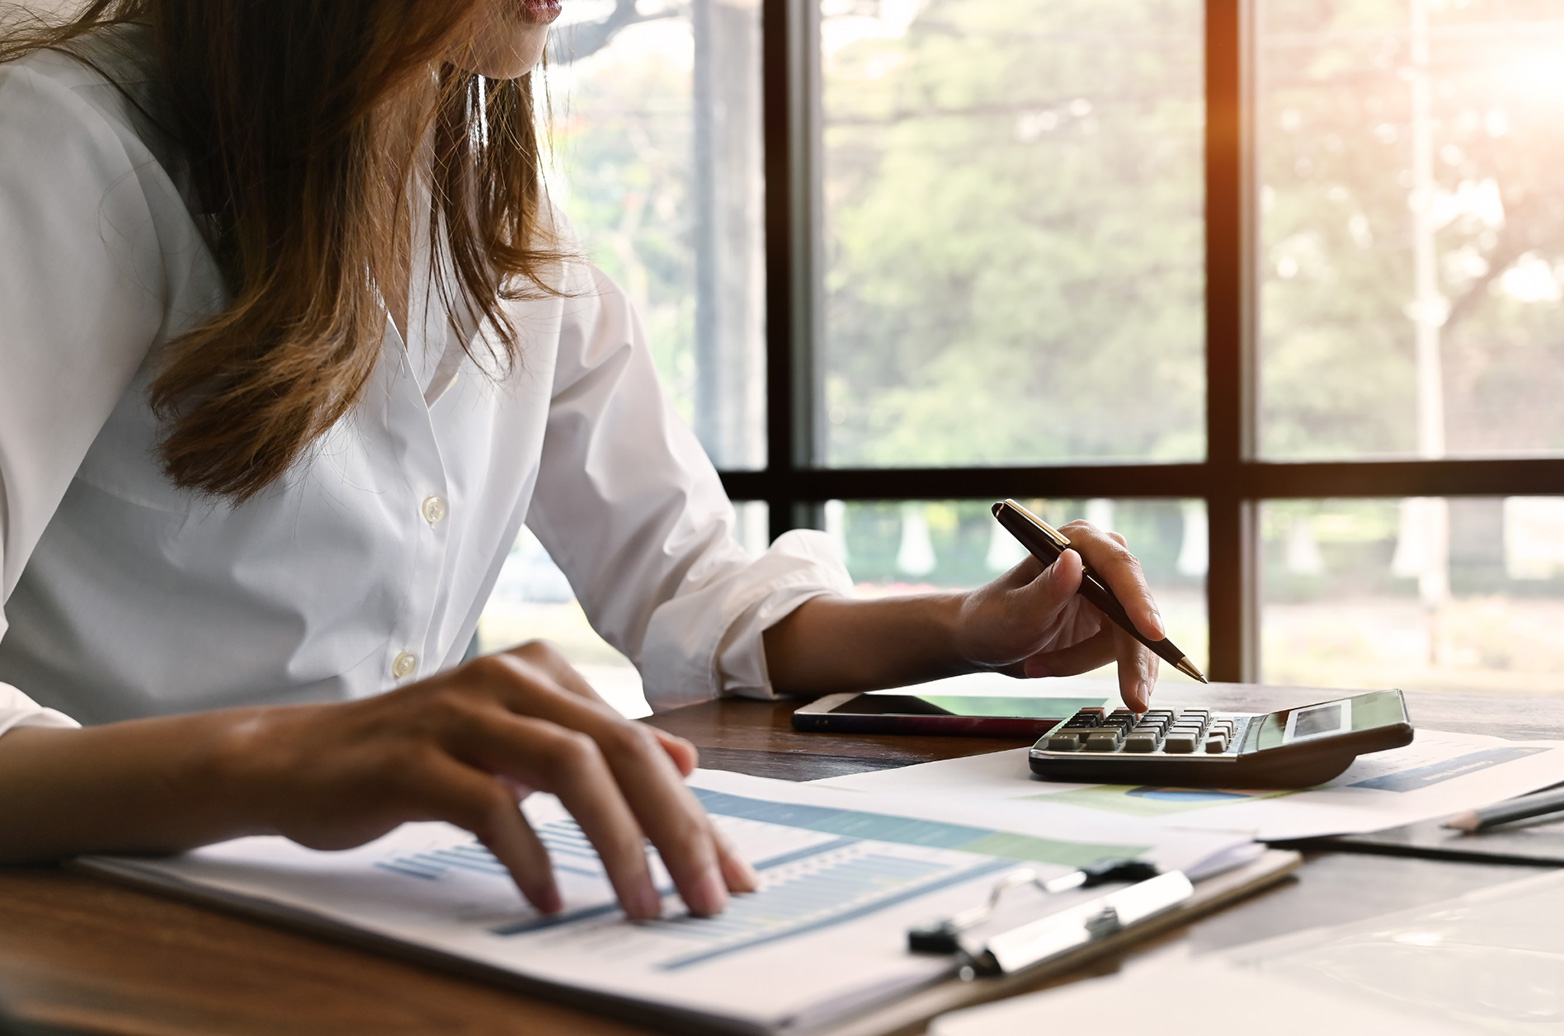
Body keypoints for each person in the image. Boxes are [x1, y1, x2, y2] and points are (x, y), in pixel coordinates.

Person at [0, 0, 1167, 922]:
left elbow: (692, 588)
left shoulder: (497, 220)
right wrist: (291, 759)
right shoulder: (58, 149)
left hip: (394, 912)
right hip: (100, 929)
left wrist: (967, 625)